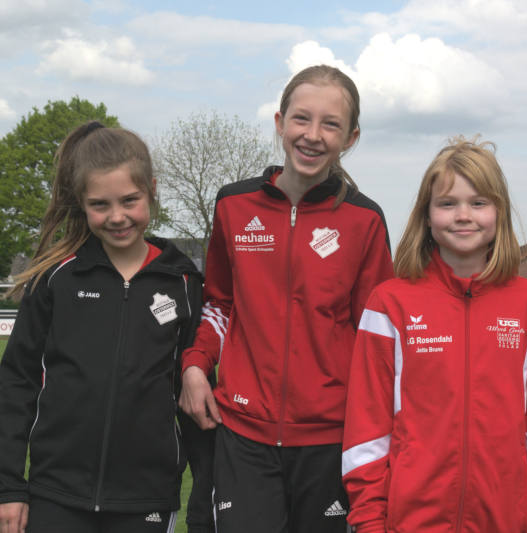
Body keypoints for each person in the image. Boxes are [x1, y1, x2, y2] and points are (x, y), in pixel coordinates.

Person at [179, 64, 394, 532]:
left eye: (330, 124)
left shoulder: (365, 221)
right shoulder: (233, 206)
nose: (313, 135)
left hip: (330, 441)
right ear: (280, 123)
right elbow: (220, 303)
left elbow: (375, 338)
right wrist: (196, 365)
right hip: (242, 435)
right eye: (301, 119)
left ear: (350, 137)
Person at [342, 137, 527, 532]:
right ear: (426, 216)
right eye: (447, 204)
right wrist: (369, 521)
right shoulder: (389, 303)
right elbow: (366, 430)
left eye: (478, 203)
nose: (463, 215)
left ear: (499, 213)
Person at [0, 121, 213, 533]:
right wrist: (9, 486)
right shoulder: (56, 279)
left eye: (130, 200)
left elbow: (192, 398)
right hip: (55, 494)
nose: (117, 217)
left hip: (146, 499)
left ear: (151, 189)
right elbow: (17, 384)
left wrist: (203, 500)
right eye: (100, 204)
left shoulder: (183, 283)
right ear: (81, 202)